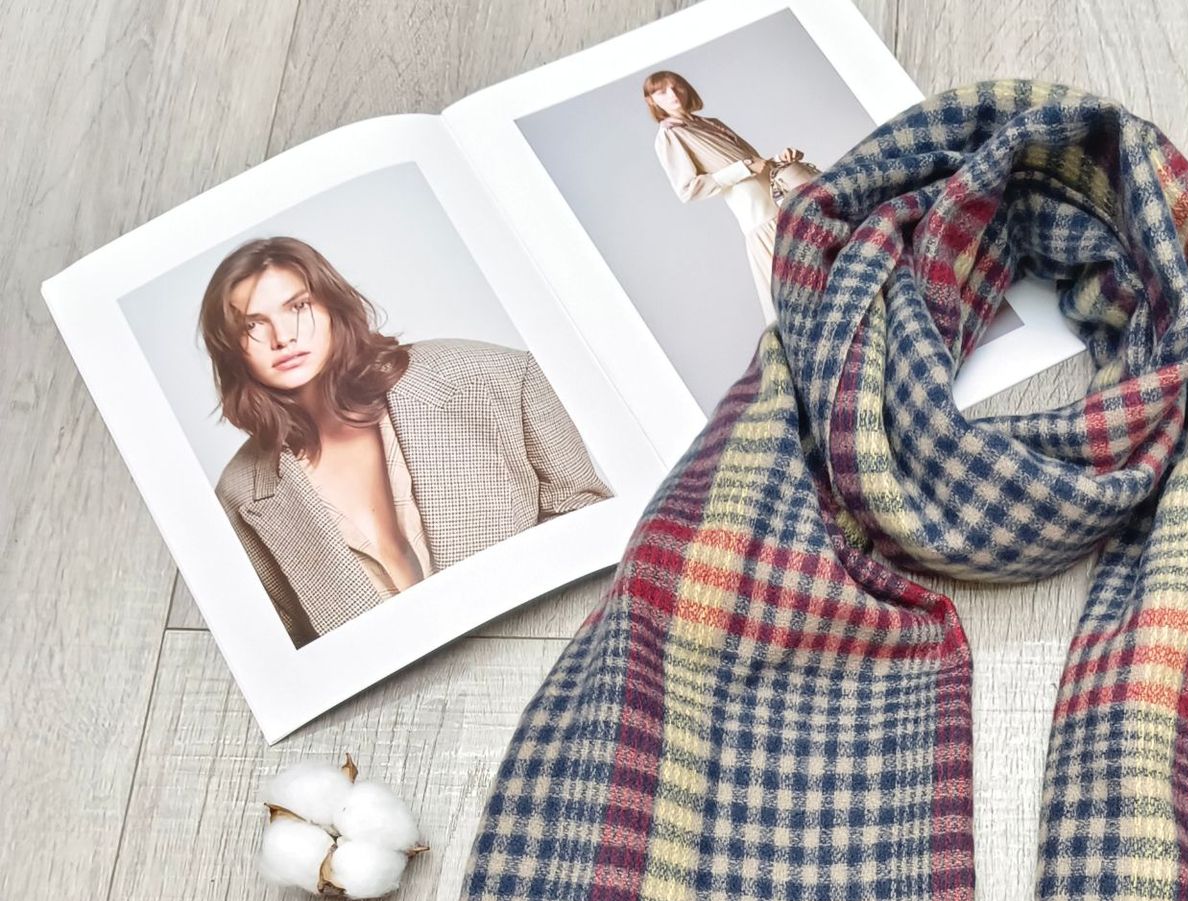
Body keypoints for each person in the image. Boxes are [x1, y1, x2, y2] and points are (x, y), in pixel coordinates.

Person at [201, 235, 611, 646]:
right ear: (230, 348)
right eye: (252, 325)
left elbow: (591, 525)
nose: (282, 337)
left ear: (331, 306)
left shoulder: (499, 377)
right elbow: (287, 651)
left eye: (298, 307)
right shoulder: (238, 496)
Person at [644, 69, 818, 326]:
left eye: (676, 86)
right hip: (763, 221)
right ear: (651, 100)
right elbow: (688, 189)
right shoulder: (669, 135)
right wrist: (743, 168)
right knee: (807, 301)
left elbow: (756, 164)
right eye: (661, 92)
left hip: (782, 206)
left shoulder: (710, 122)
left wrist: (778, 159)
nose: (673, 94)